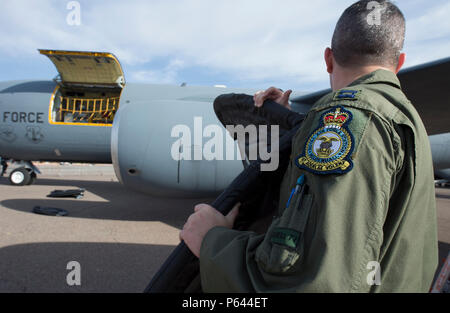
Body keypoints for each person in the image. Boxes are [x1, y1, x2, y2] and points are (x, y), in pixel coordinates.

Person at [180, 0, 438, 292]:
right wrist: (292, 132)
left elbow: (316, 279)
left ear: (328, 59)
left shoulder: (347, 116)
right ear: (399, 63)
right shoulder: (406, 119)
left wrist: (213, 241)